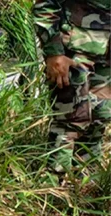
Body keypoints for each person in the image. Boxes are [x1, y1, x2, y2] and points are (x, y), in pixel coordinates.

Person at [33, 0, 110, 174]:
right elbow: (46, 3)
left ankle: (85, 185)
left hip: (106, 55)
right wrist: (54, 52)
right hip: (74, 51)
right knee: (70, 121)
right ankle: (53, 187)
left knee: (101, 116)